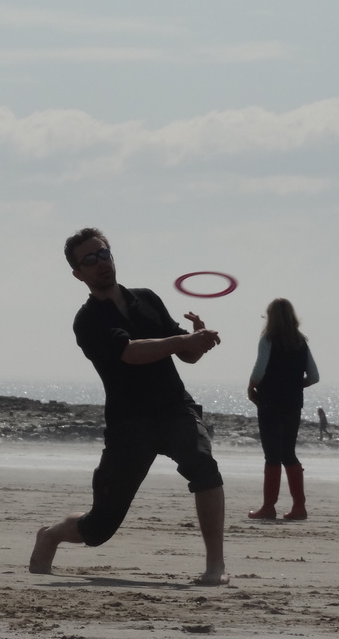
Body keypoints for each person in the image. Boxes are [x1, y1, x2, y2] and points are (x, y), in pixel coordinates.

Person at [29, 228, 228, 586]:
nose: (99, 263)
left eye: (103, 254)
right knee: (100, 527)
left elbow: (186, 356)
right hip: (129, 424)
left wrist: (197, 341)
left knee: (204, 466)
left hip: (174, 408)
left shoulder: (147, 299)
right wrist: (184, 339)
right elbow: (131, 353)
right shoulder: (88, 319)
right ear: (78, 274)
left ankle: (216, 567)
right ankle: (52, 533)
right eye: (88, 260)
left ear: (112, 255)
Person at [245, 298, 320, 521]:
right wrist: (296, 385)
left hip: (270, 401)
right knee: (288, 453)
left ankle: (269, 507)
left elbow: (260, 369)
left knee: (272, 455)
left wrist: (251, 387)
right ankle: (299, 507)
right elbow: (314, 377)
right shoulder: (300, 342)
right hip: (293, 402)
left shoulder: (268, 339)